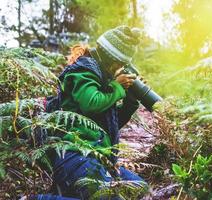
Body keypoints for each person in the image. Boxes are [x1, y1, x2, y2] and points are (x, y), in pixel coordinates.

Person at [30, 25, 147, 200]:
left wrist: (131, 100)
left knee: (139, 188)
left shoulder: (103, 77)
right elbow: (91, 103)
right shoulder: (84, 70)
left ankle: (66, 193)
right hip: (73, 155)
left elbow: (109, 125)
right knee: (110, 198)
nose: (121, 68)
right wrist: (117, 86)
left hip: (98, 159)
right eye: (121, 64)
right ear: (112, 59)